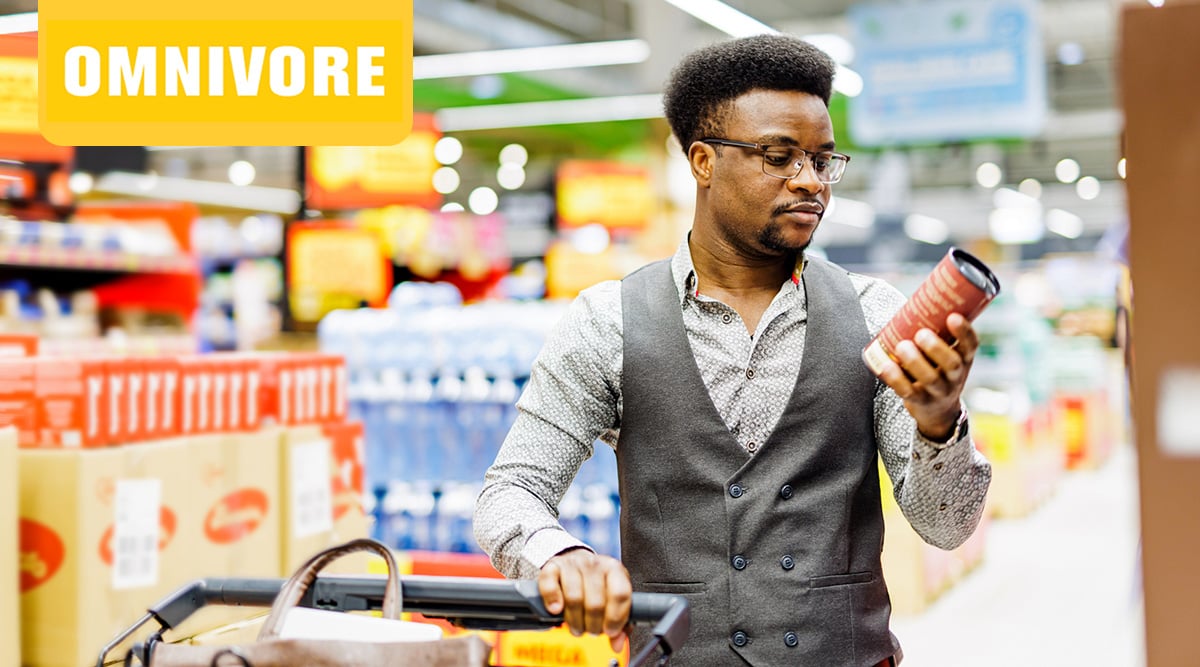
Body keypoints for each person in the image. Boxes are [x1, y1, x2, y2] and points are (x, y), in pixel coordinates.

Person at [474, 34, 991, 666]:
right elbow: (511, 490)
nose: (809, 181)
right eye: (779, 156)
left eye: (822, 160)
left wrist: (941, 423)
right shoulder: (606, 322)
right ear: (702, 161)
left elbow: (948, 527)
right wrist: (559, 555)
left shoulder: (874, 316)